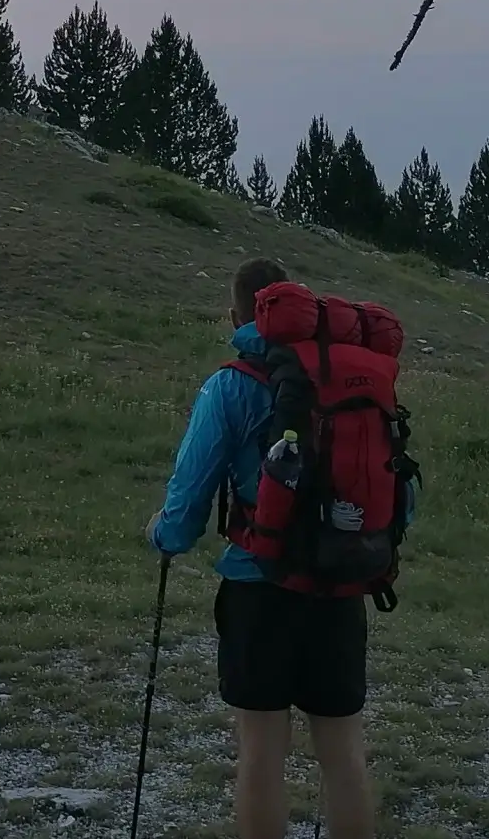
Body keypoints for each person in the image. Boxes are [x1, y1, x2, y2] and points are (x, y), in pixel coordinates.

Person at [146, 257, 388, 839]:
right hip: (339, 583)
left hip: (259, 588)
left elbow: (186, 505)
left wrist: (162, 533)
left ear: (235, 315)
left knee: (261, 755)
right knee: (344, 756)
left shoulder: (230, 384)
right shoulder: (350, 378)